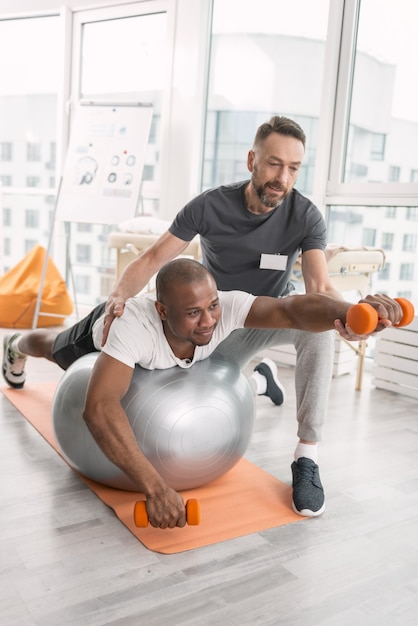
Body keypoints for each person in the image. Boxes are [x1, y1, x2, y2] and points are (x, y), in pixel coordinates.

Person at [2, 259, 401, 528]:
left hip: (161, 354)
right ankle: (16, 346)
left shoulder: (223, 309)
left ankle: (260, 380)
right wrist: (156, 487)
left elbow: (292, 311)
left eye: (211, 306)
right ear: (162, 311)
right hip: (97, 337)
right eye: (193, 312)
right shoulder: (132, 327)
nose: (209, 320)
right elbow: (99, 408)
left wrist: (351, 313)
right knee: (53, 347)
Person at [100, 115, 363, 517]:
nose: (283, 177)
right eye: (274, 163)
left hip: (273, 314)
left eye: (294, 168)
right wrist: (118, 295)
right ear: (251, 160)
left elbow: (320, 289)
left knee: (319, 329)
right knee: (194, 389)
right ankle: (260, 379)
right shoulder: (210, 206)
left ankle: (306, 455)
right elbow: (154, 257)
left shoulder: (305, 215)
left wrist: (351, 317)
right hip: (220, 325)